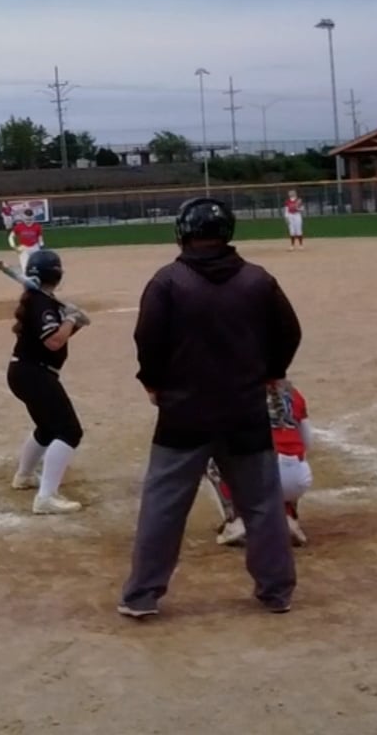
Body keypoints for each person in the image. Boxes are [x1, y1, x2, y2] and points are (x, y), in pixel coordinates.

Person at [120, 197, 303, 619]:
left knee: (164, 506)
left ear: (182, 233)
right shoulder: (258, 280)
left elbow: (148, 339)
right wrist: (272, 371)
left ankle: (142, 595)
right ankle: (276, 590)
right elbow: (289, 332)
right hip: (245, 410)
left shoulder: (168, 281)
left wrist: (153, 382)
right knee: (262, 505)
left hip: (183, 413)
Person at [6, 248, 90, 514]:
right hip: (34, 373)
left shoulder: (40, 300)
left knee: (47, 428)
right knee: (69, 431)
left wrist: (74, 324)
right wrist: (71, 319)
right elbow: (53, 341)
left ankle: (24, 476)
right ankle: (46, 497)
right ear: (56, 275)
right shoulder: (42, 303)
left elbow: (55, 337)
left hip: (25, 372)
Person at [207, 381, 316, 547]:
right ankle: (287, 517)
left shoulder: (230, 389)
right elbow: (307, 441)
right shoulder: (291, 392)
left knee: (211, 458)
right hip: (296, 478)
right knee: (290, 453)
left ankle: (238, 520)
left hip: (258, 473)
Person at [7, 209, 45, 274]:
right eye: (26, 219)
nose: (28, 221)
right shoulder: (19, 227)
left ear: (33, 218)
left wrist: (41, 245)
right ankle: (27, 277)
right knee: (25, 268)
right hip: (23, 248)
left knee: (37, 266)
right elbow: (11, 237)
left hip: (35, 247)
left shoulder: (37, 226)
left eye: (30, 219)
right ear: (23, 218)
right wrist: (14, 247)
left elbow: (40, 238)